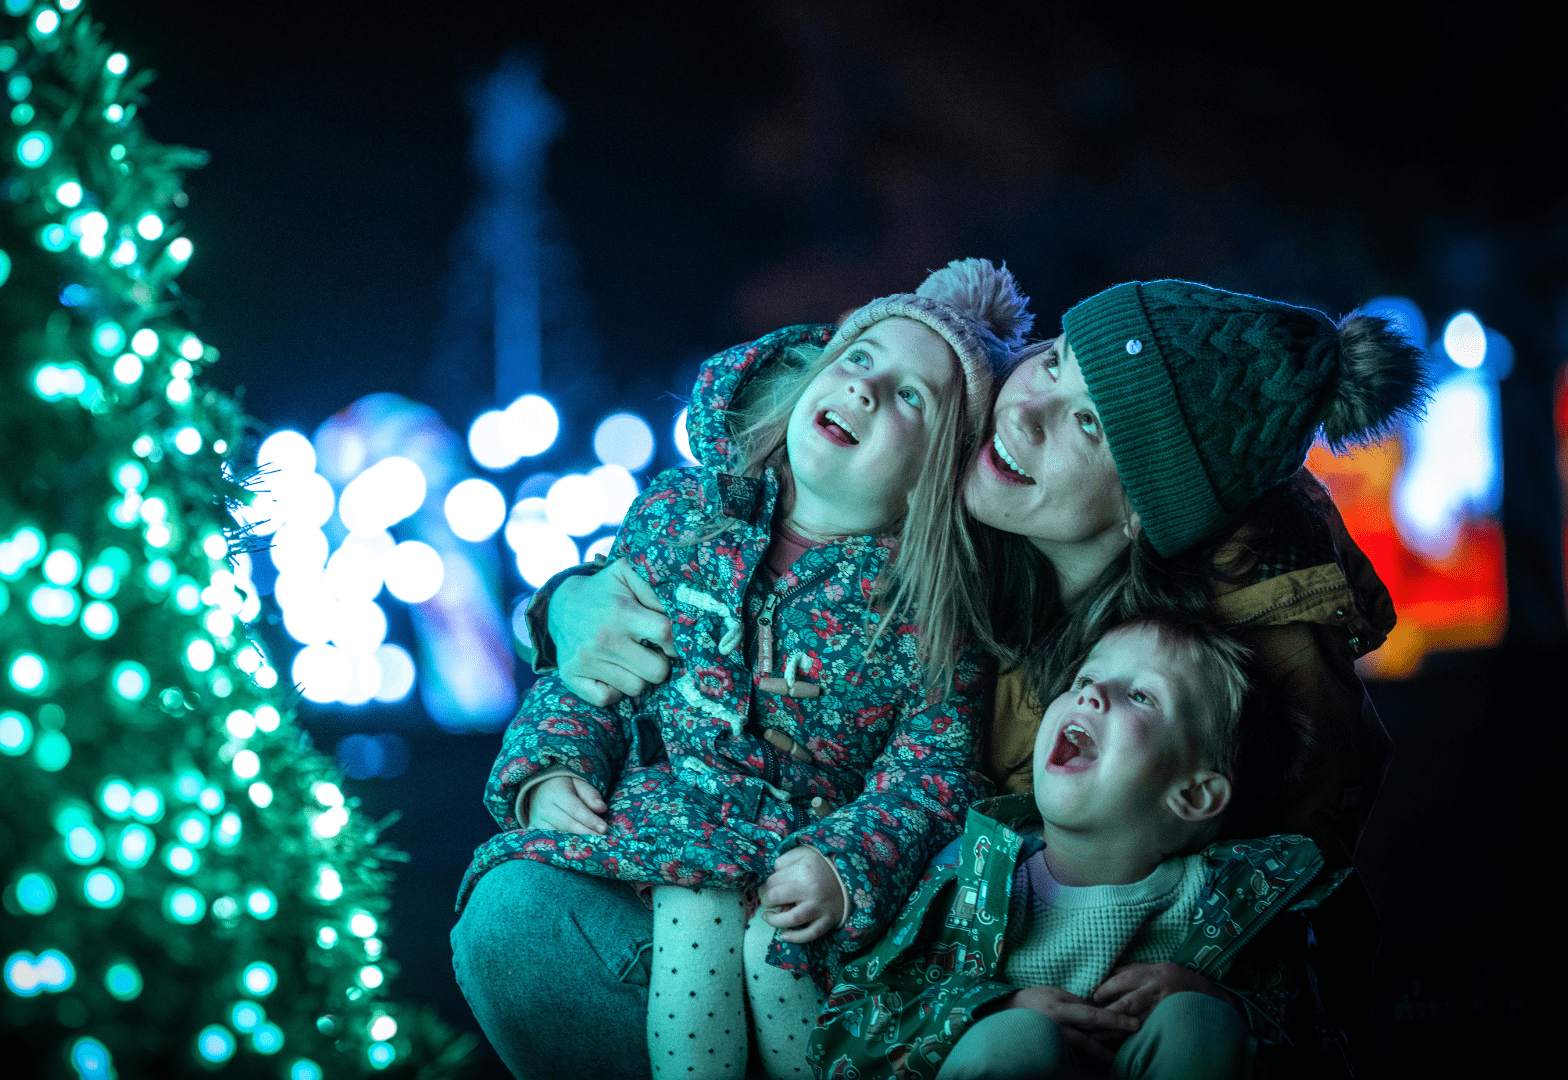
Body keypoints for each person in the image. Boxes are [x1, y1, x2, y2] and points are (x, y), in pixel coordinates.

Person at [525, 278, 1426, 1064]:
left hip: (1014, 974)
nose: (1024, 408)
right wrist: (566, 603)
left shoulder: (1222, 674)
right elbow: (776, 476)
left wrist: (1219, 992)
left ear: (1142, 516)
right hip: (857, 925)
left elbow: (1309, 896)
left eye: (1087, 424)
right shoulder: (955, 488)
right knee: (522, 914)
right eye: (1054, 360)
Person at [453, 260, 1033, 1080]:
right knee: (691, 922)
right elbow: (593, 679)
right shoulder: (683, 518)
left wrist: (848, 860)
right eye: (861, 359)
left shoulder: (929, 609)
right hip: (670, 822)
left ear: (935, 474)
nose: (869, 389)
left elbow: (934, 771)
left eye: (913, 396)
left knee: (776, 955)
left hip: (810, 864)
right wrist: (549, 769)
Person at [810, 615, 1341, 1080]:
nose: (1089, 694)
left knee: (1198, 1024)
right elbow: (846, 1035)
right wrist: (993, 1007)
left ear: (1195, 794)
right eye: (1086, 678)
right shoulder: (968, 876)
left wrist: (1221, 1001)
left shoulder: (1238, 908)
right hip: (1003, 1051)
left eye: (1141, 695)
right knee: (1016, 1038)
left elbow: (1324, 1052)